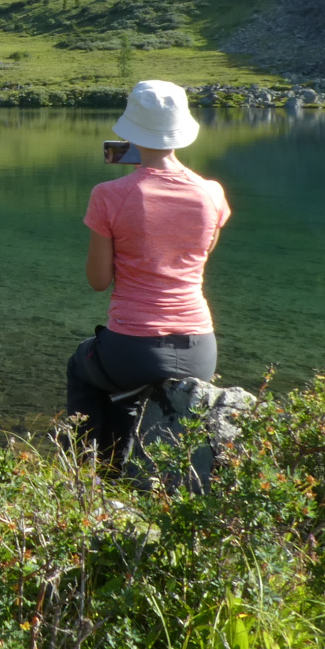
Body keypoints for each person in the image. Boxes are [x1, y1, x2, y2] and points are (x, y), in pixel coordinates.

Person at [66, 79, 231, 461]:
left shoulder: (109, 196)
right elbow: (200, 254)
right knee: (127, 392)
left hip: (132, 349)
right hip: (200, 351)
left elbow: (98, 281)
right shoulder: (212, 193)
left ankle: (83, 474)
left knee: (81, 364)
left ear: (130, 132)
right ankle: (127, 468)